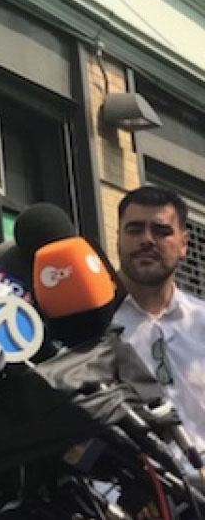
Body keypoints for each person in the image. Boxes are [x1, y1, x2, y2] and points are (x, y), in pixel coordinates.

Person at [112, 185, 205, 452]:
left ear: (184, 244)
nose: (147, 240)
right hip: (121, 490)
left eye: (161, 231)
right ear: (118, 238)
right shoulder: (90, 323)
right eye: (135, 230)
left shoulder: (201, 323)